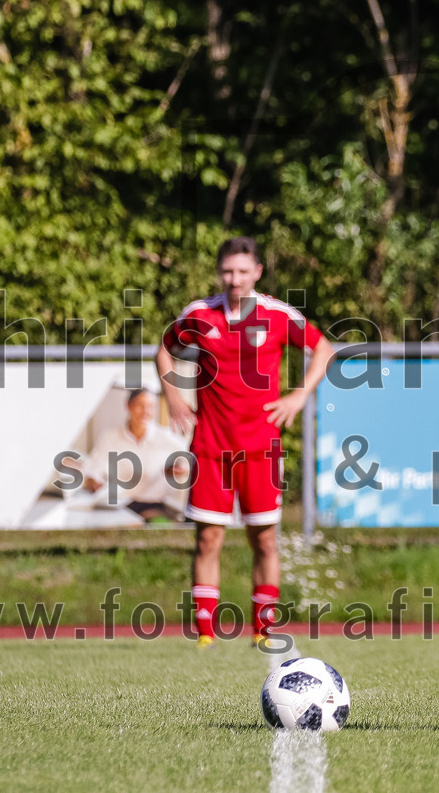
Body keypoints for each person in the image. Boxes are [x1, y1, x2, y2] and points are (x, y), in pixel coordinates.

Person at [156, 236, 335, 649]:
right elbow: (164, 351)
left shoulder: (276, 315)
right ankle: (205, 634)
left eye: (242, 271)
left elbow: (323, 348)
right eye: (227, 271)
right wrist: (173, 396)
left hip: (261, 447)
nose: (233, 279)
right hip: (211, 446)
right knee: (208, 538)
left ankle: (263, 629)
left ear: (257, 272)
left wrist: (299, 395)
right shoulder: (200, 315)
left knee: (265, 539)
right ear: (219, 273)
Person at [63, 388, 189, 523]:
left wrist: (182, 470)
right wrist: (93, 480)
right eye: (140, 406)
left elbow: (191, 461)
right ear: (129, 406)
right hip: (118, 506)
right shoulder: (111, 438)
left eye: (151, 407)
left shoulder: (166, 438)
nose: (146, 412)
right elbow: (93, 470)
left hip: (154, 507)